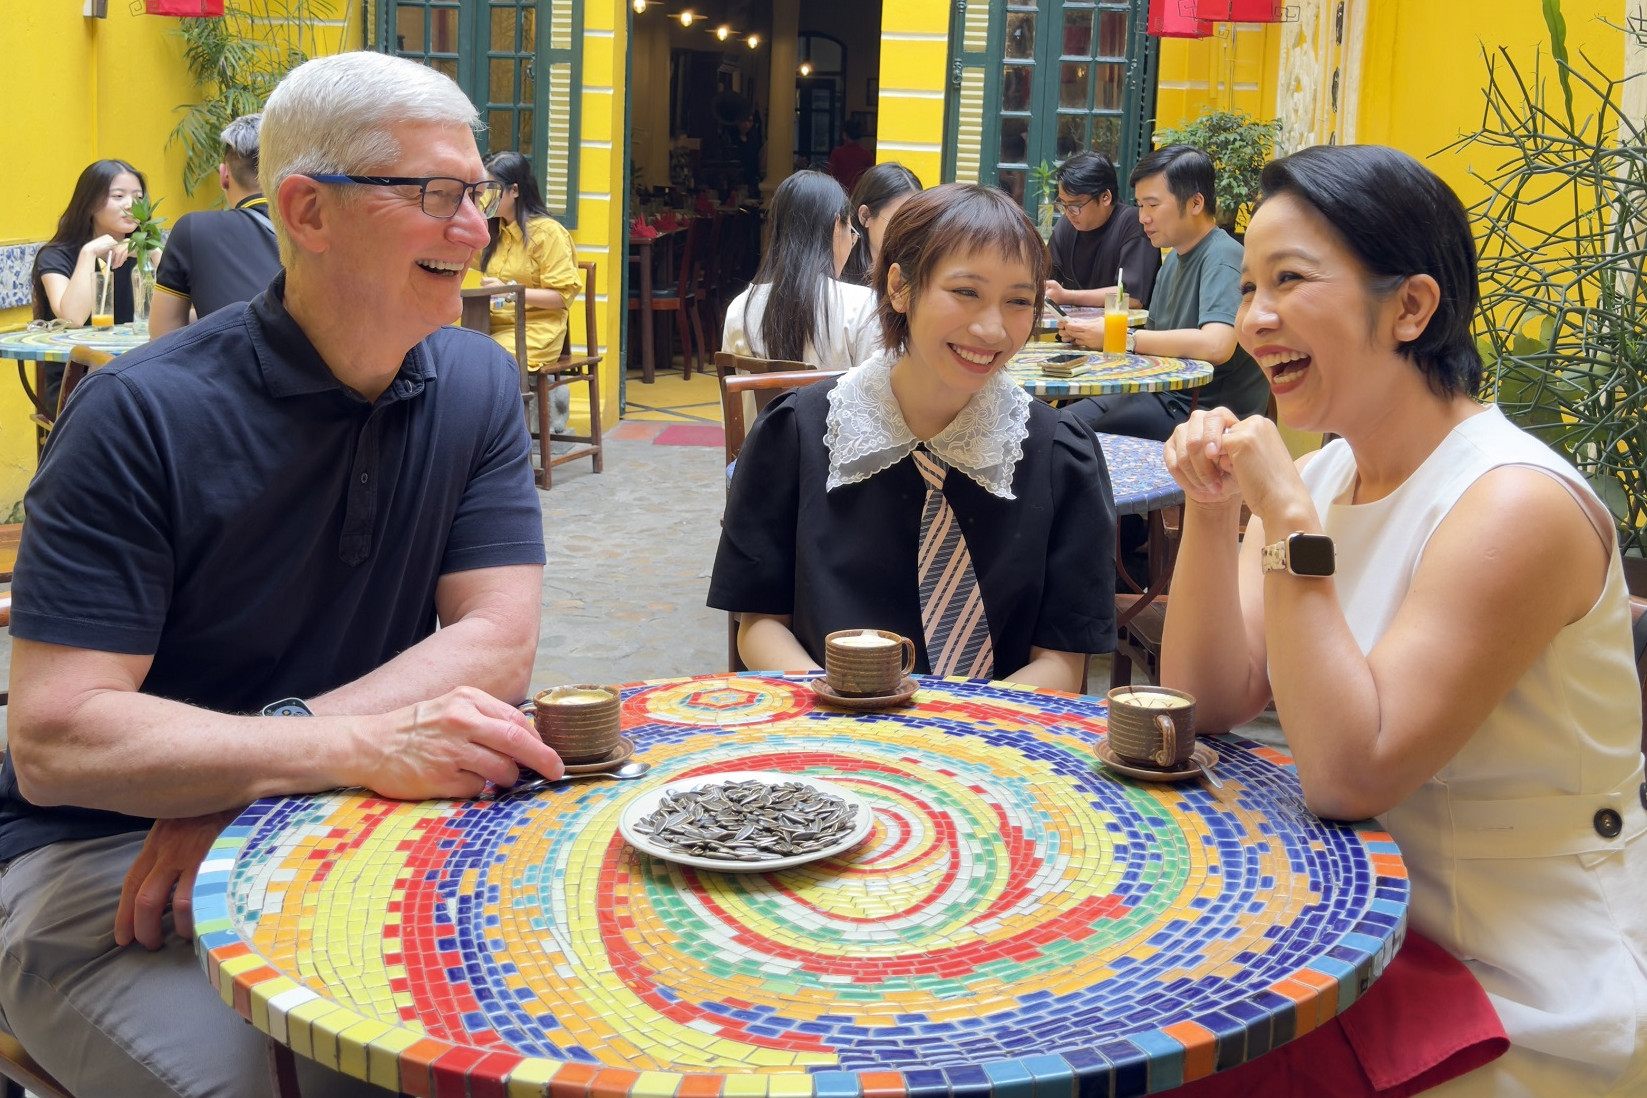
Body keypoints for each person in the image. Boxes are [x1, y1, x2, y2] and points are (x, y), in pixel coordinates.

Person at [0, 51, 560, 1098]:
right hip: (107, 872)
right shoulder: (141, 415)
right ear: (306, 210)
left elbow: (495, 642)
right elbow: (57, 737)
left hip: (342, 827)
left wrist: (264, 780)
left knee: (533, 1035)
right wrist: (340, 753)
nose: (476, 229)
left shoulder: (478, 382)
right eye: (435, 195)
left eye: (476, 196)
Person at [1161, 144, 1646, 1096]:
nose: (1254, 319)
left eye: (1290, 281)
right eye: (1250, 284)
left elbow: (1347, 774)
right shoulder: (1331, 472)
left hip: (1507, 979)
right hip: (1351, 933)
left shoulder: (1513, 502)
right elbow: (1209, 697)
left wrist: (1289, 527)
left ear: (1410, 308)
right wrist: (1216, 515)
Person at [709, 183, 1116, 693]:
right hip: (832, 733)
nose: (992, 330)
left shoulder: (1059, 457)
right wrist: (842, 709)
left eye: (1018, 301)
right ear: (900, 287)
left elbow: (1062, 660)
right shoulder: (796, 433)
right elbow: (760, 624)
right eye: (966, 292)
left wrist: (951, 733)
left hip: (990, 746)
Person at [1062, 145, 1266, 442]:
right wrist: (1092, 339)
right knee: (1056, 420)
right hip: (1160, 396)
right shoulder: (1173, 258)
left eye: (1152, 205)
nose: (1143, 217)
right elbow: (1154, 344)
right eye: (1140, 206)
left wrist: (1122, 339)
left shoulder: (1223, 257)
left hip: (1200, 413)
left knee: (1065, 431)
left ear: (1195, 203)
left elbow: (1217, 344)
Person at [721, 170, 879, 370]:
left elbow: (731, 398)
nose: (851, 243)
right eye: (851, 233)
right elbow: (873, 397)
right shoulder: (862, 306)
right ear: (837, 226)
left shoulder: (740, 308)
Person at [29, 159, 153, 409]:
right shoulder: (56, 255)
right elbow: (73, 318)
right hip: (76, 382)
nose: (131, 205)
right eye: (118, 196)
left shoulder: (145, 254)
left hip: (141, 372)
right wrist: (88, 254)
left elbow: (185, 314)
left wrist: (154, 253)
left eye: (138, 197)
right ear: (89, 203)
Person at [149, 114, 283, 338]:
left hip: (233, 371)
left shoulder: (194, 229)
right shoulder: (323, 226)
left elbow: (162, 336)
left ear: (224, 176)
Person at [479, 149, 583, 433]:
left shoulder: (547, 233)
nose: (487, 196)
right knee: (450, 351)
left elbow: (562, 296)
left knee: (485, 359)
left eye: (492, 188)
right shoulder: (493, 232)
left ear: (514, 190)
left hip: (536, 330)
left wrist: (512, 290)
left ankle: (502, 443)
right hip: (492, 325)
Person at [1043, 151, 1160, 310]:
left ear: (1105, 197)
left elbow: (1131, 297)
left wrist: (1068, 296)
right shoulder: (1066, 226)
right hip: (1072, 332)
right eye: (1064, 205)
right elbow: (1045, 280)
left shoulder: (1133, 224)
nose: (1069, 212)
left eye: (1076, 205)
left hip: (1123, 333)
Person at [839, 161, 921, 286]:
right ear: (865, 216)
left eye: (914, 221)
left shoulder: (917, 276)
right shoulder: (837, 277)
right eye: (897, 221)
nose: (907, 231)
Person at [826, 116, 874, 192]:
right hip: (859, 193)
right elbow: (870, 178)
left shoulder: (837, 153)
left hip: (840, 192)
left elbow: (830, 175)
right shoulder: (867, 154)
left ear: (844, 135)